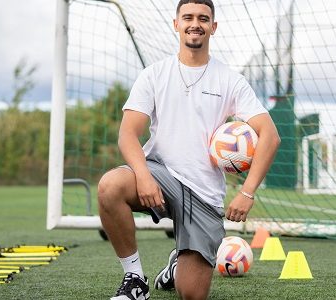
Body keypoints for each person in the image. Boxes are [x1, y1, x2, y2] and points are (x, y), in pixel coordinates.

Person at [97, 0, 280, 299]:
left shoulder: (230, 80)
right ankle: (134, 279)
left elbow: (270, 136)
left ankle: (177, 263)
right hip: (160, 174)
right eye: (188, 17)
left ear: (213, 27)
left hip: (204, 194)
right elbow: (127, 135)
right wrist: (142, 174)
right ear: (176, 24)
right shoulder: (154, 75)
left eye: (203, 18)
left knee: (191, 294)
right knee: (109, 186)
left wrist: (247, 192)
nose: (196, 23)